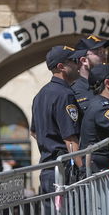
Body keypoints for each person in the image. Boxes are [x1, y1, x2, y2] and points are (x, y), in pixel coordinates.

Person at [29, 45, 83, 195]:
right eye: (74, 61)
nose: (78, 64)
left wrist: (49, 144)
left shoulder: (40, 95)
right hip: (63, 171)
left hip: (48, 170)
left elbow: (34, 132)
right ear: (61, 67)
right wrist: (84, 169)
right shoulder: (65, 95)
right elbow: (70, 140)